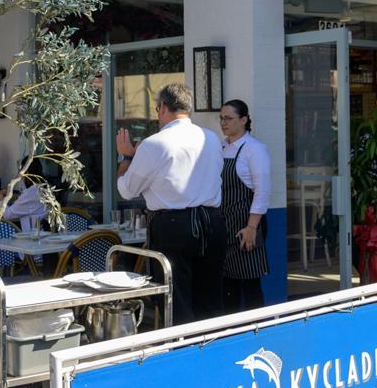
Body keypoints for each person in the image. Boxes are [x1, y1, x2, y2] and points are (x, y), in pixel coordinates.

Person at [116, 82, 226, 323]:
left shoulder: (154, 143)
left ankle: (182, 354)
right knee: (210, 298)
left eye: (157, 109)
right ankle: (211, 353)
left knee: (176, 301)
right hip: (212, 221)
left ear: (163, 107)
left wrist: (125, 158)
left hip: (175, 225)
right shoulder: (211, 138)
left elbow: (127, 189)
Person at [219, 99, 271, 311]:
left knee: (249, 283)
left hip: (246, 223)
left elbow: (262, 191)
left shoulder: (254, 149)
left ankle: (256, 332)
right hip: (224, 223)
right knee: (227, 282)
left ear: (244, 120)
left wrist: (252, 228)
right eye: (221, 118)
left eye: (228, 118)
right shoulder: (222, 147)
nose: (223, 123)